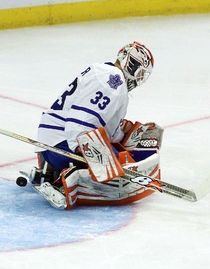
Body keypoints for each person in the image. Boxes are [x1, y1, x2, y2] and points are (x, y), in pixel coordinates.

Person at [24, 41, 164, 209]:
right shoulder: (113, 79)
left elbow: (106, 131)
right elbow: (78, 125)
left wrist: (127, 135)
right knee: (119, 163)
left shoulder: (108, 75)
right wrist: (103, 159)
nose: (139, 80)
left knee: (121, 153)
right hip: (61, 144)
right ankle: (64, 179)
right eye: (140, 73)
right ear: (130, 64)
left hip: (54, 143)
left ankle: (51, 170)